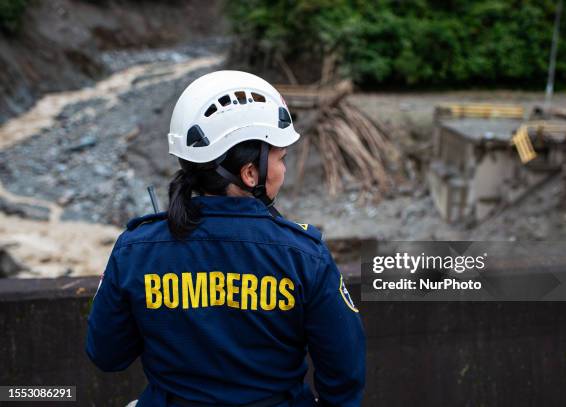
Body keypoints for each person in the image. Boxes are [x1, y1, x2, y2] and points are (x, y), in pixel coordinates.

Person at [85, 70, 366, 407]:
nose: (284, 169)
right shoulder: (304, 255)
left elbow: (107, 355)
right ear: (250, 173)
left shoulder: (135, 249)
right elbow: (345, 374)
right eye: (281, 158)